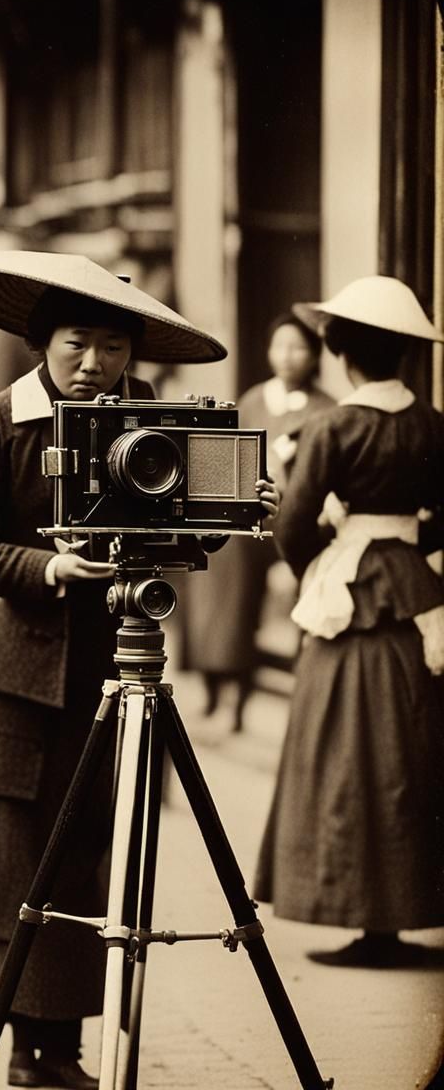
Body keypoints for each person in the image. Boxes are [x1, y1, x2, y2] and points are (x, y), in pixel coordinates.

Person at [0, 250, 278, 1088]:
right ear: (40, 344)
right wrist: (51, 570)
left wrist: (237, 507)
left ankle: (70, 1051)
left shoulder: (153, 415)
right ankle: (24, 1049)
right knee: (20, 861)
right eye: (76, 345)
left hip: (122, 659)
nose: (96, 366)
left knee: (101, 851)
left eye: (115, 349)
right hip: (26, 672)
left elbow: (177, 534)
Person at [254, 275, 444, 968]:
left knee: (345, 750)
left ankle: (368, 916)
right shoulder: (432, 424)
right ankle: (407, 908)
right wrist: (413, 545)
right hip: (413, 589)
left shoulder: (335, 426)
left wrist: (321, 558)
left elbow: (294, 520)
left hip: (353, 589)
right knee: (413, 748)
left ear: (341, 355)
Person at [183, 310, 335, 731]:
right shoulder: (252, 400)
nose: (287, 357)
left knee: (258, 562)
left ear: (316, 355)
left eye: (299, 347)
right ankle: (218, 690)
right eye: (280, 346)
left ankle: (248, 697)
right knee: (216, 562)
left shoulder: (326, 410)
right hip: (248, 521)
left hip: (296, 521)